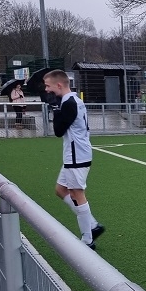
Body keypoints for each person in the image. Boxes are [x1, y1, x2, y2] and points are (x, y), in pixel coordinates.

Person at [43, 70, 105, 249]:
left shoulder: (69, 103)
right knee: (60, 190)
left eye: (48, 86)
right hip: (75, 154)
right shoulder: (71, 100)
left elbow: (58, 130)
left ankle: (88, 239)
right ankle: (92, 224)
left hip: (77, 155)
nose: (46, 90)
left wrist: (54, 108)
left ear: (59, 85)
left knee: (77, 193)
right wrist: (56, 106)